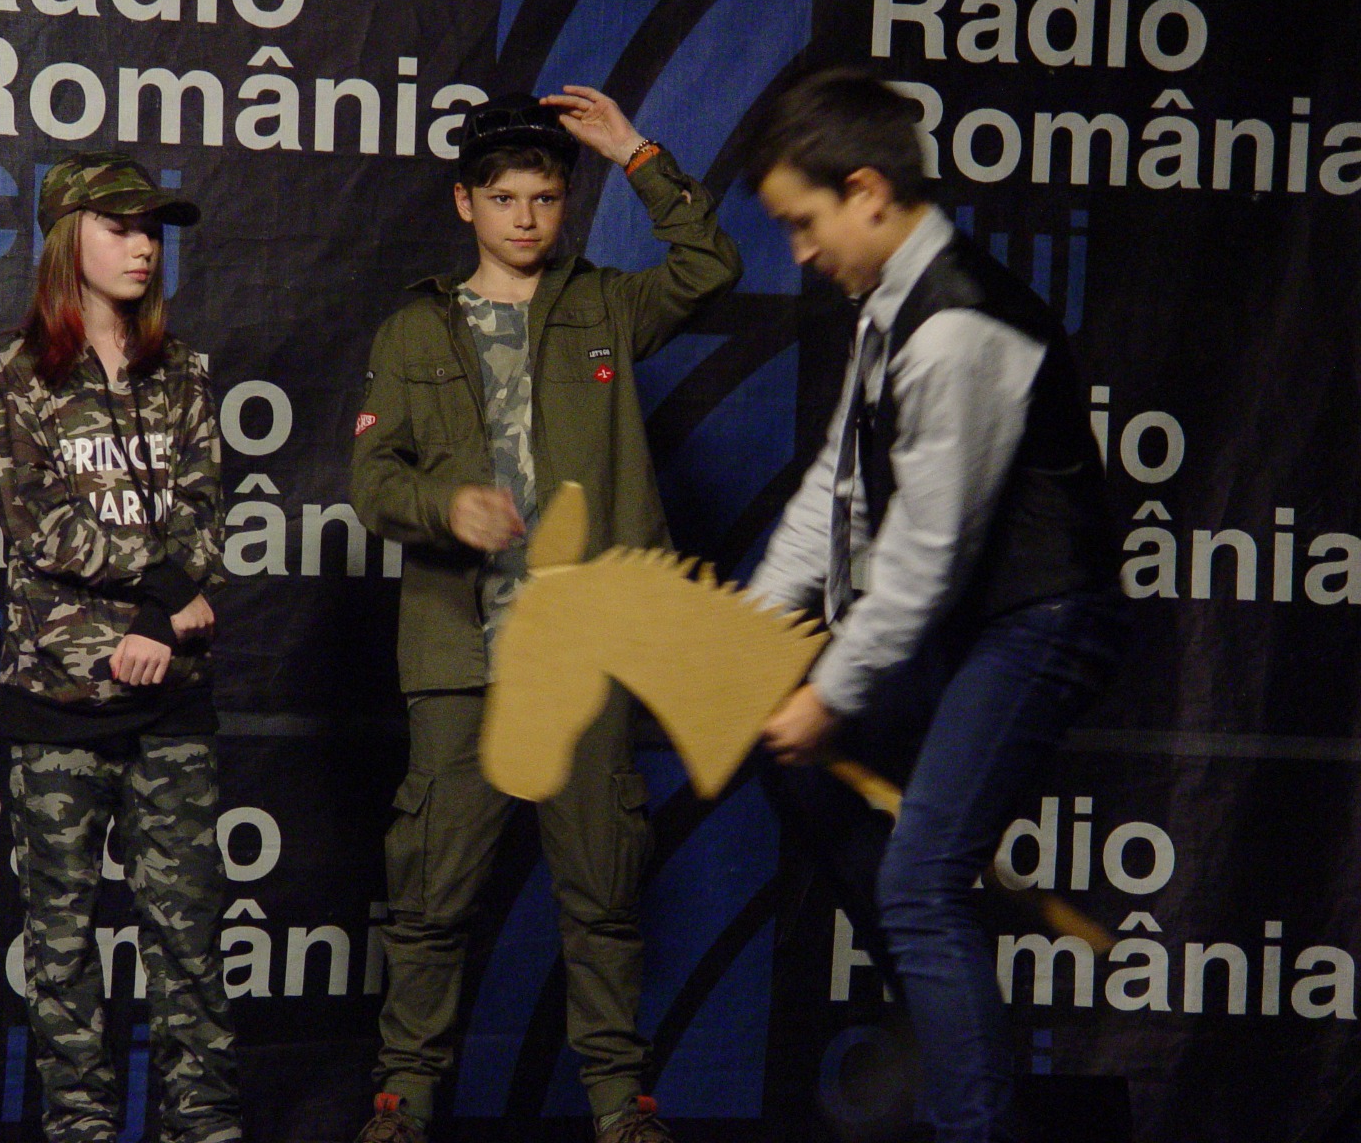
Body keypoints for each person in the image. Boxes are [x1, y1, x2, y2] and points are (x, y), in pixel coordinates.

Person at [349, 87, 741, 1143]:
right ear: (464, 204)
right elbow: (373, 484)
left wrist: (635, 151)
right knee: (431, 901)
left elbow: (711, 270)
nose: (527, 217)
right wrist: (447, 506)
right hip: (462, 662)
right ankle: (404, 1100)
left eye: (547, 197)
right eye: (506, 197)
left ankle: (619, 1105)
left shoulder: (605, 305)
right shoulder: (415, 325)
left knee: (604, 897)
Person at [743, 70, 1127, 1141]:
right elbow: (837, 485)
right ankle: (942, 1046)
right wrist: (751, 628)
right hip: (968, 623)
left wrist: (827, 690)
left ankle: (970, 1123)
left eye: (802, 223)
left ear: (866, 190)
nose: (801, 253)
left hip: (1041, 621)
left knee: (918, 881)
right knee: (818, 798)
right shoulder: (889, 309)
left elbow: (924, 556)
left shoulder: (959, 326)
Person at [0, 152, 239, 1143]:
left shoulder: (184, 376)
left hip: (172, 695)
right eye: (120, 226)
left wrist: (159, 632)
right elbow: (40, 530)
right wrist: (155, 608)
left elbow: (208, 521)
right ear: (66, 239)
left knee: (191, 941)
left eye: (152, 231)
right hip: (59, 701)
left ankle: (203, 1131)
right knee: (61, 947)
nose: (142, 246)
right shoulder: (21, 375)